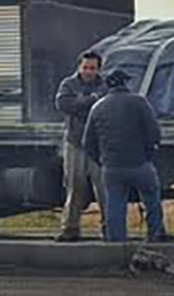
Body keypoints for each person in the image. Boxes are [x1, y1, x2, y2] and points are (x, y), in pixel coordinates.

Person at [82, 70, 171, 243]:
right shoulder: (139, 102)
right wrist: (148, 154)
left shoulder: (97, 107)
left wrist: (102, 160)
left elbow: (87, 143)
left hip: (112, 167)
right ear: (126, 83)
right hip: (139, 163)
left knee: (115, 203)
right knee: (151, 197)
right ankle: (155, 234)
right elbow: (154, 133)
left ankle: (116, 242)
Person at [54, 52, 108, 242]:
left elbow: (106, 107)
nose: (88, 71)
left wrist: (80, 103)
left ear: (98, 69)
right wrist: (91, 100)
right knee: (75, 187)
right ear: (79, 67)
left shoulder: (105, 85)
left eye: (92, 68)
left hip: (98, 144)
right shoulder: (68, 84)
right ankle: (70, 228)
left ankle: (109, 229)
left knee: (104, 188)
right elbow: (63, 104)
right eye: (85, 67)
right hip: (75, 142)